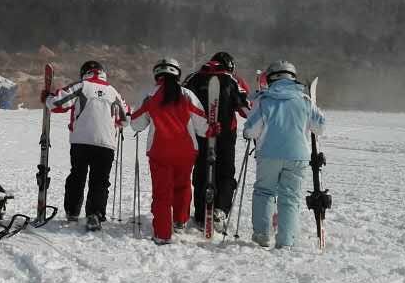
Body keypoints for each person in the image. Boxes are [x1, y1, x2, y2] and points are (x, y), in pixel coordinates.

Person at [242, 60, 326, 250]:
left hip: (269, 155)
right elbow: (320, 127)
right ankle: (286, 240)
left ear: (271, 78)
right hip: (298, 156)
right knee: (290, 197)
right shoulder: (305, 101)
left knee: (264, 192)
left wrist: (247, 132)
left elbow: (252, 129)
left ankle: (262, 234)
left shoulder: (264, 100)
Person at [129, 57, 209, 244]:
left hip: (160, 151)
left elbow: (136, 124)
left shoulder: (150, 96)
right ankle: (180, 221)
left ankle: (163, 234)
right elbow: (203, 125)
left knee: (162, 193)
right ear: (177, 74)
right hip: (186, 150)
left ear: (157, 74)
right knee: (182, 186)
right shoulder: (187, 95)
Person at [45, 60, 129, 231]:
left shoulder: (81, 86)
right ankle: (95, 215)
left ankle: (72, 212)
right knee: (100, 181)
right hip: (106, 144)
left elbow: (57, 103)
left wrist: (47, 97)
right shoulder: (113, 92)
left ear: (84, 73)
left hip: (81, 141)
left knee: (77, 176)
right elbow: (126, 118)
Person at [183, 51, 251, 231]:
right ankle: (220, 210)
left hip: (199, 133)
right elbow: (246, 110)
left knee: (200, 171)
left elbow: (181, 100)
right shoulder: (233, 80)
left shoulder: (193, 78)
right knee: (226, 173)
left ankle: (200, 214)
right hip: (226, 134)